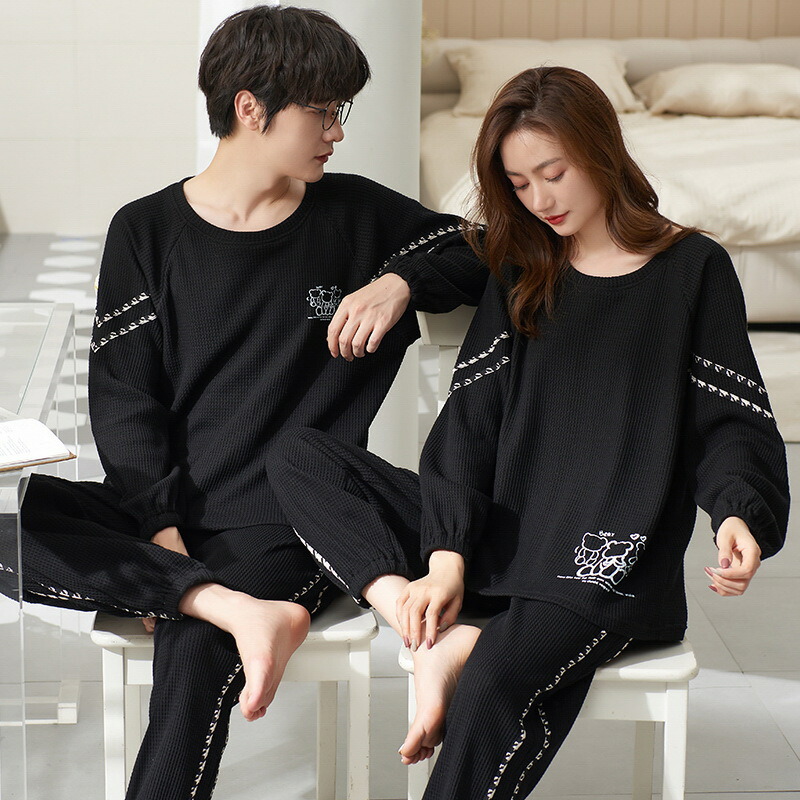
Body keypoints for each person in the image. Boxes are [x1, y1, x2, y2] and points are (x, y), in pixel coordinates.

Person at [1, 6, 486, 799]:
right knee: (8, 531)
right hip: (166, 511)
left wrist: (401, 281)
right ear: (251, 108)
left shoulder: (359, 216)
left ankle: (207, 605)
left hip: (286, 521)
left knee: (191, 657)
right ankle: (219, 602)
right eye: (322, 111)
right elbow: (125, 404)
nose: (337, 131)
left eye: (340, 111)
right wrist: (168, 547)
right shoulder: (145, 231)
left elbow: (486, 252)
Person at [267, 66, 790, 799]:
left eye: (554, 173)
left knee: (493, 685)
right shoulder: (522, 267)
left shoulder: (693, 270)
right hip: (495, 537)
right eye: (519, 184)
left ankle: (467, 645)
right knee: (299, 454)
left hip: (602, 558)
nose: (541, 200)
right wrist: (446, 559)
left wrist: (739, 511)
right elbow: (470, 425)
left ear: (601, 152)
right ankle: (426, 625)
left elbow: (730, 418)